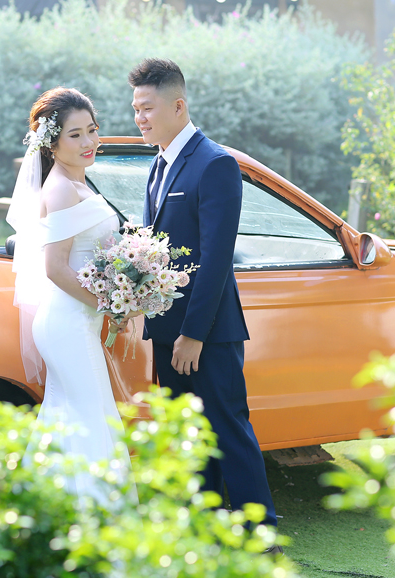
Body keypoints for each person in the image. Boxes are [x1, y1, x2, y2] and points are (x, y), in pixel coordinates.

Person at [128, 58, 279, 539]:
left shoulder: (215, 164)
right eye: (135, 109)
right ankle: (205, 528)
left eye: (148, 108)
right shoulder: (157, 164)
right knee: (189, 434)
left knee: (227, 429)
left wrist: (194, 334)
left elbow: (216, 260)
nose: (140, 118)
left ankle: (260, 533)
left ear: (178, 106)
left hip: (208, 332)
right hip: (166, 329)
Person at [6, 87, 135, 510]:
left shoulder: (78, 183)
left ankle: (46, 512)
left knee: (68, 417)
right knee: (94, 416)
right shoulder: (61, 189)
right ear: (52, 143)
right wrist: (111, 305)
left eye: (92, 130)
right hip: (68, 324)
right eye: (75, 135)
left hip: (77, 322)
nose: (88, 142)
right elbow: (55, 268)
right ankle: (98, 519)